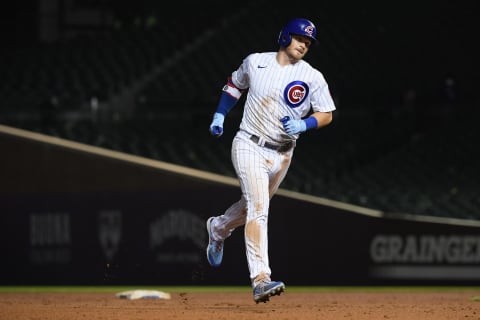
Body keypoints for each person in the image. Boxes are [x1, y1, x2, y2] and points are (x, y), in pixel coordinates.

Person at [206, 18, 336, 303]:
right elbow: (233, 85)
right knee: (259, 209)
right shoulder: (255, 62)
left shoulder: (312, 76)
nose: (304, 44)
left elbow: (327, 113)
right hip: (249, 143)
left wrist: (305, 124)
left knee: (250, 206)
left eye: (309, 42)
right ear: (284, 37)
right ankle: (260, 279)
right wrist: (220, 114)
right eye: (300, 38)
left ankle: (218, 228)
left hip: (283, 153)